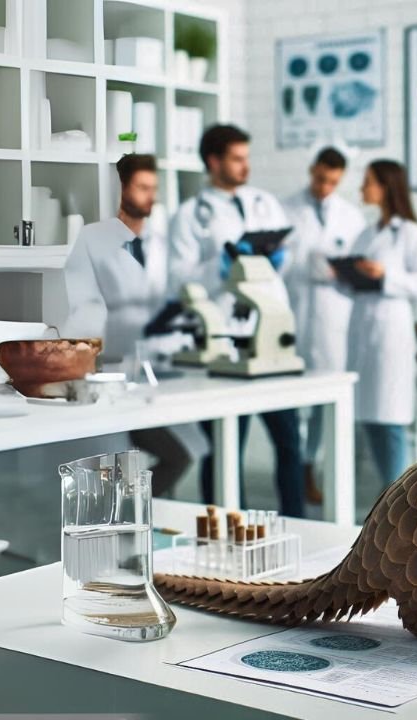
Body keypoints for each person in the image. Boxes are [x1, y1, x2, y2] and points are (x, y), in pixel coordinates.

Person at [167, 124, 305, 517]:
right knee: (225, 447)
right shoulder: (191, 215)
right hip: (226, 339)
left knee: (289, 442)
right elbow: (179, 279)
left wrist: (275, 260)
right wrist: (223, 266)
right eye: (237, 158)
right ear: (214, 161)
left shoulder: (264, 202)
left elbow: (286, 257)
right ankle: (224, 531)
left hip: (270, 336)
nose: (246, 166)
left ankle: (298, 522)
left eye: (247, 157)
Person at [62, 153, 204, 498]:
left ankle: (141, 513)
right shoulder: (92, 239)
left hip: (154, 369)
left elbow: (171, 294)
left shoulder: (160, 241)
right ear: (121, 190)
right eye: (142, 187)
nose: (150, 196)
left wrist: (175, 320)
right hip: (108, 371)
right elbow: (83, 304)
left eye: (153, 188)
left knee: (181, 455)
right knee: (120, 465)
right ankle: (127, 513)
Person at [338, 160, 417, 488]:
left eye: (368, 181)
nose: (362, 188)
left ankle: (399, 498)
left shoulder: (410, 233)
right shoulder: (365, 234)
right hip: (362, 328)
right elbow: (350, 286)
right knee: (367, 417)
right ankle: (388, 493)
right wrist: (344, 275)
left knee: (390, 420)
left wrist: (385, 275)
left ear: (386, 186)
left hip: (391, 332)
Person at [282, 146, 366, 505]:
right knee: (290, 402)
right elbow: (278, 265)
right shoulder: (286, 210)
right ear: (311, 169)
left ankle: (311, 468)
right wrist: (309, 266)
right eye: (320, 179)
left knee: (323, 402)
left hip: (335, 320)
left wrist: (339, 271)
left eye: (332, 182)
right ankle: (294, 470)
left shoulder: (351, 217)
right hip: (294, 316)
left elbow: (359, 269)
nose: (324, 187)